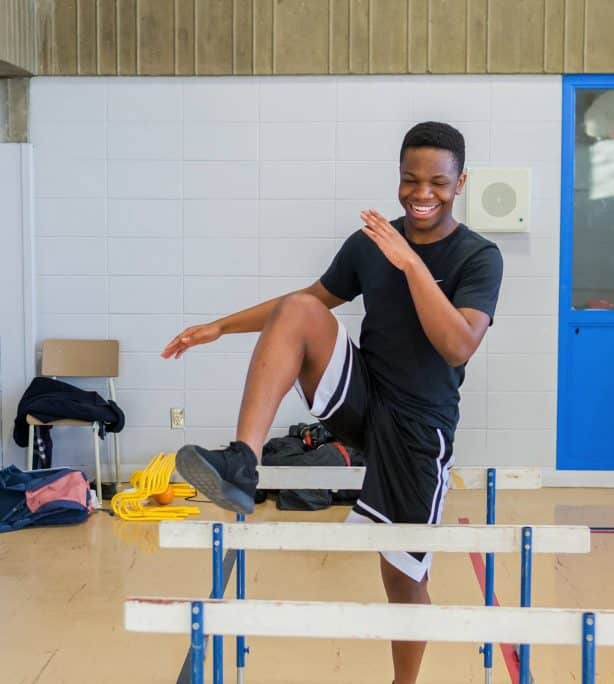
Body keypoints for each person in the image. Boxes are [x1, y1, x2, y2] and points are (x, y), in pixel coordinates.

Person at [161, 122, 503, 684]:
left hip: (421, 425)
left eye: (437, 182)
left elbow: (458, 344)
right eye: (410, 179)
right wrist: (221, 325)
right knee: (299, 309)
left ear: (460, 181)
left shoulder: (478, 256)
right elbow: (305, 302)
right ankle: (242, 463)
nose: (422, 193)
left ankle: (403, 682)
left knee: (401, 574)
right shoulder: (371, 243)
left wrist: (412, 265)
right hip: (363, 396)